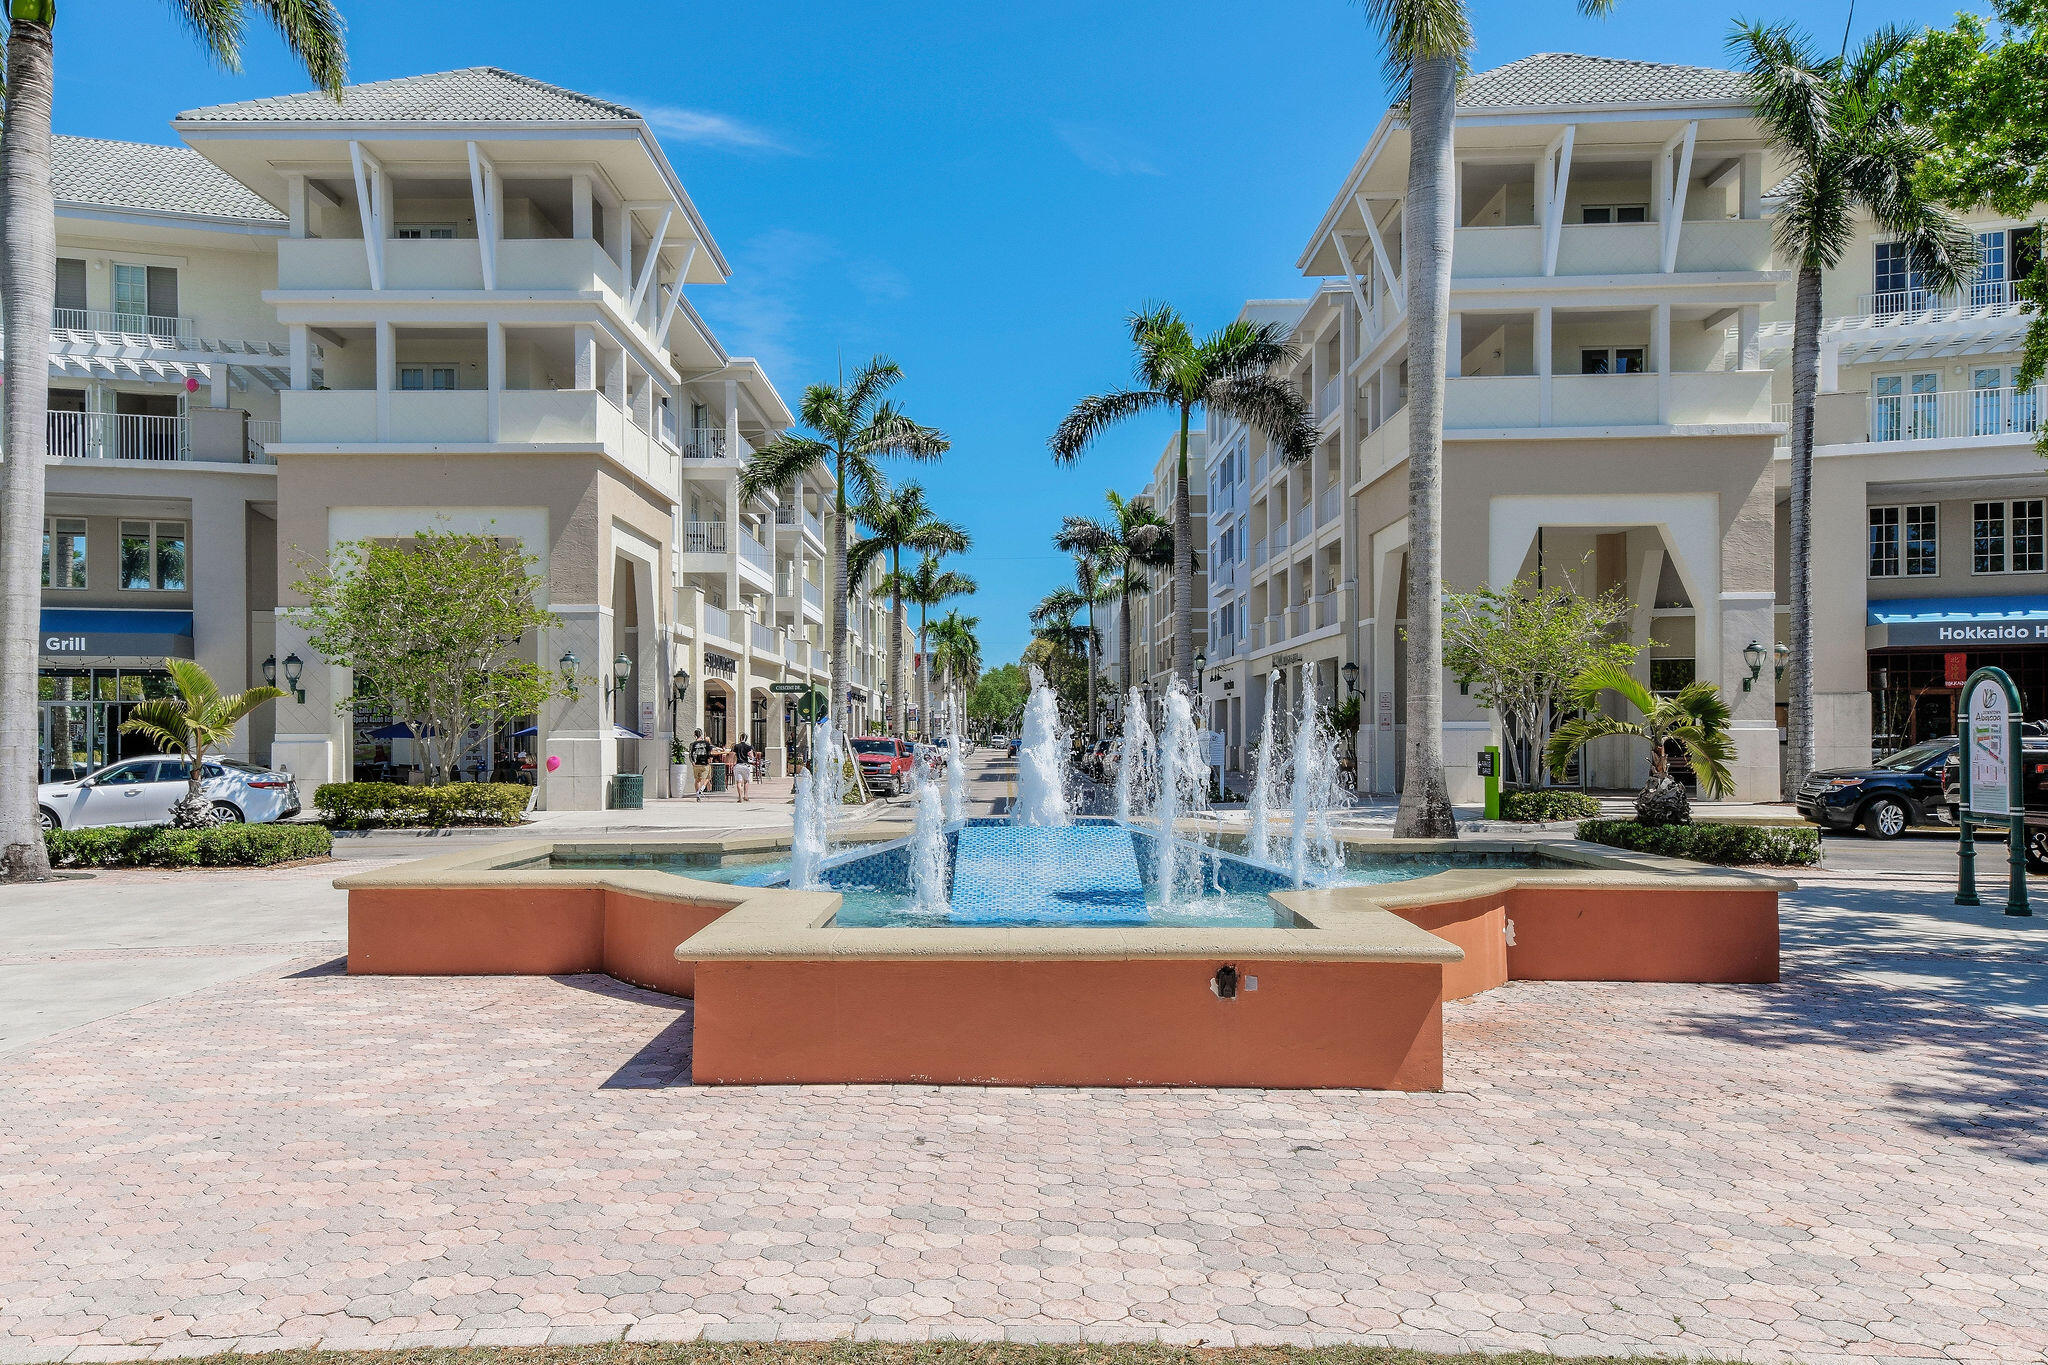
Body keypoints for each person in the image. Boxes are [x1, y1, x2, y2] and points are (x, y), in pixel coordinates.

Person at [689, 729, 715, 800]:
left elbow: (690, 754)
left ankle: (698, 795)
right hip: (705, 764)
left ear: (694, 735)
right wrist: (710, 759)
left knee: (697, 780)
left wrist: (692, 762)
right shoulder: (706, 743)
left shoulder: (692, 744)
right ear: (702, 734)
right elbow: (710, 753)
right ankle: (702, 789)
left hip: (696, 764)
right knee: (708, 777)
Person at [730, 734, 754, 802]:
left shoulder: (736, 746)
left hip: (738, 765)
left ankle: (740, 797)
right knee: (746, 781)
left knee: (738, 782)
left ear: (740, 738)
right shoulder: (748, 746)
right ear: (746, 739)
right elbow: (751, 756)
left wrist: (732, 763)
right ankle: (746, 796)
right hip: (745, 765)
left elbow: (733, 755)